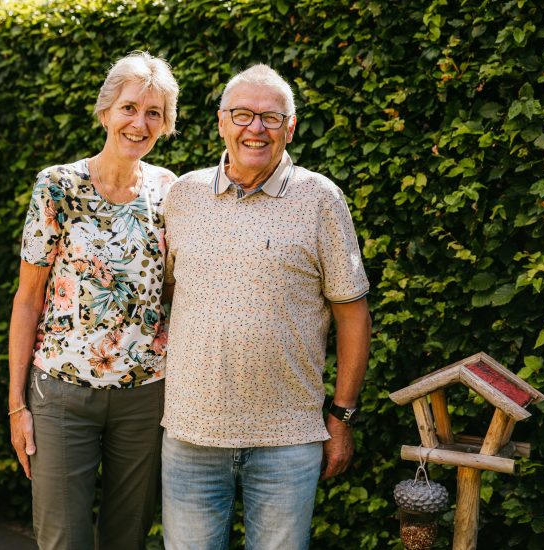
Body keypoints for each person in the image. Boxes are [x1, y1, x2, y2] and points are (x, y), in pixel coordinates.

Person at [160, 63, 372, 550]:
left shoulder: (321, 199)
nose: (255, 128)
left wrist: (341, 418)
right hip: (191, 434)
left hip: (288, 437)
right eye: (242, 115)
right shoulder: (182, 196)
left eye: (271, 118)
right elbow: (169, 291)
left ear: (289, 128)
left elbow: (353, 314)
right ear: (220, 122)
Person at [8, 51, 178, 550]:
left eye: (154, 113)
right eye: (129, 107)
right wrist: (16, 406)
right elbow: (27, 299)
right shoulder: (57, 186)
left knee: (128, 538)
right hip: (61, 392)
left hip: (146, 394)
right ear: (106, 112)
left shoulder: (171, 191)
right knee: (63, 538)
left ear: (165, 125)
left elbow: (171, 293)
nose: (139, 122)